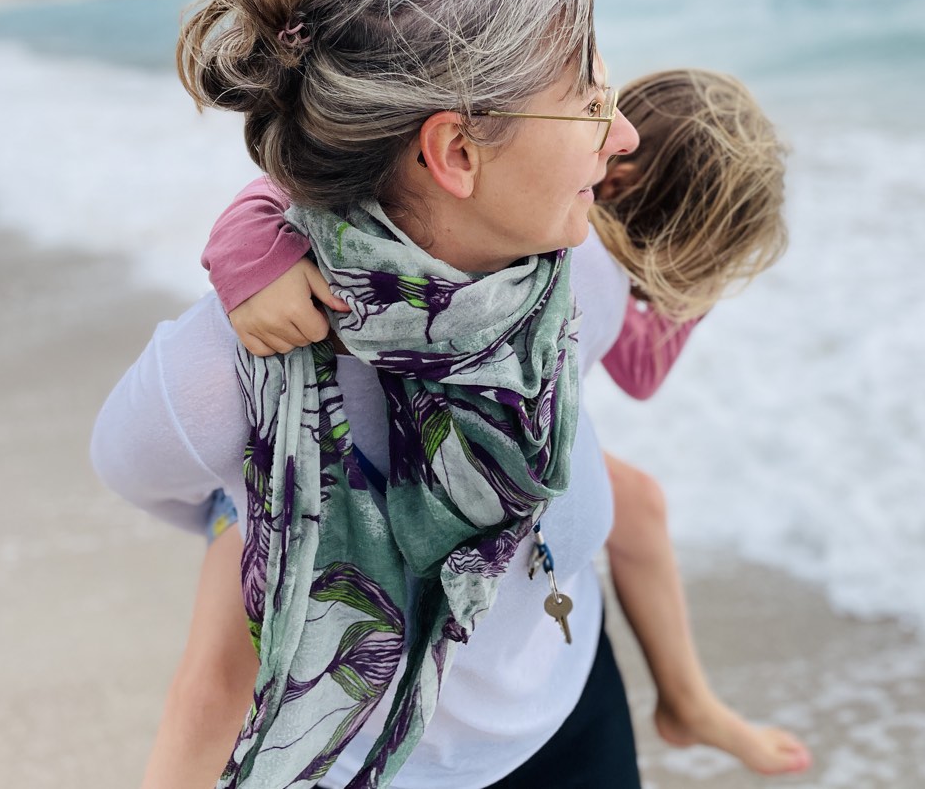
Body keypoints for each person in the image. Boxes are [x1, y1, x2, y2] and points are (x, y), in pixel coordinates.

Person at [92, 0, 643, 789]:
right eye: (587, 103)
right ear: (456, 153)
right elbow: (140, 473)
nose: (620, 136)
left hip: (577, 719)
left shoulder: (578, 274)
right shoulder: (227, 369)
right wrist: (272, 504)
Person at [135, 69, 810, 785]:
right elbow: (302, 190)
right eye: (701, 259)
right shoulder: (565, 252)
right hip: (319, 451)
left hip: (483, 437)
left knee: (636, 502)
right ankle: (689, 702)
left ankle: (688, 703)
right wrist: (249, 256)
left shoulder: (565, 238)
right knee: (224, 666)